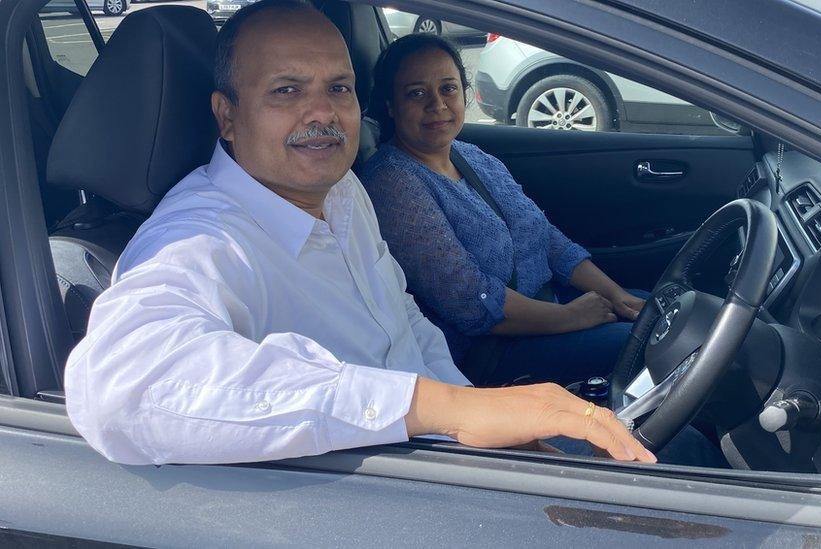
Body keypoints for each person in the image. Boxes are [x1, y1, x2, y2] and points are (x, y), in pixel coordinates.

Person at [62, 0, 655, 466]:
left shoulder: (342, 192)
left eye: (338, 87)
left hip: (443, 463)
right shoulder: (200, 237)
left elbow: (404, 321)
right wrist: (441, 408)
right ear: (227, 115)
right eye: (286, 90)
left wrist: (474, 418)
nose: (322, 113)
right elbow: (120, 388)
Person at [360, 35, 645, 388]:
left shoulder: (472, 156)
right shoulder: (392, 183)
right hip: (493, 352)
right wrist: (570, 317)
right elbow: (472, 302)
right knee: (649, 345)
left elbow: (546, 238)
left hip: (548, 312)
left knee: (658, 312)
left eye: (448, 88)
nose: (437, 105)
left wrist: (616, 294)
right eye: (416, 93)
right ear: (390, 105)